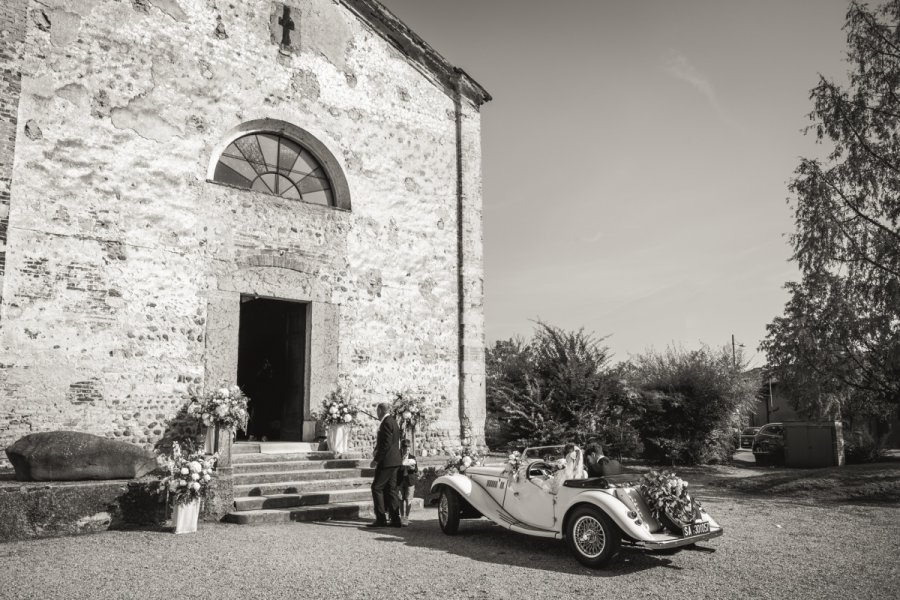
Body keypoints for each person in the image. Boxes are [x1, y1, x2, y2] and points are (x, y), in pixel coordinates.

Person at [368, 402, 402, 528]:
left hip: (387, 462)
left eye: (377, 411)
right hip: (395, 461)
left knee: (376, 487)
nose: (376, 414)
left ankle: (381, 518)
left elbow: (386, 444)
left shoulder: (386, 422)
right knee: (391, 489)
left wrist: (376, 460)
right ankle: (395, 519)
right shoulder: (393, 421)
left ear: (381, 411)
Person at [397, 438, 418, 527]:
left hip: (410, 480)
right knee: (401, 499)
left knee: (408, 499)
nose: (407, 451)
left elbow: (416, 469)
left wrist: (412, 469)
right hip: (400, 480)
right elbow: (396, 470)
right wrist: (402, 464)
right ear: (402, 449)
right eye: (405, 449)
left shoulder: (413, 458)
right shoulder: (398, 458)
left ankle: (407, 517)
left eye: (408, 449)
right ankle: (402, 516)